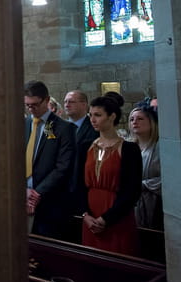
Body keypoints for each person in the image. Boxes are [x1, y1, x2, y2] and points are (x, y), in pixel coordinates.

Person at [81, 95, 142, 256]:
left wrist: (106, 219)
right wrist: (85, 214)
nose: (92, 119)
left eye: (98, 115)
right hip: (90, 217)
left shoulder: (129, 149)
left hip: (116, 217)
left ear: (112, 116)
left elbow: (133, 190)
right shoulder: (85, 147)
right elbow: (79, 185)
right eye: (90, 115)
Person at [24, 80, 76, 239]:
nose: (31, 109)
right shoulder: (22, 125)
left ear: (46, 100)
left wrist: (37, 193)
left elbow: (63, 166)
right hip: (22, 198)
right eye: (27, 105)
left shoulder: (63, 128)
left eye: (35, 105)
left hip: (50, 201)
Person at [64, 90, 100, 214]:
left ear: (84, 105)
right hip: (61, 190)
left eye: (71, 102)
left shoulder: (94, 129)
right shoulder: (60, 128)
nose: (67, 105)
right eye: (65, 102)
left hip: (82, 189)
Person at [129, 105, 162, 230]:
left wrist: (143, 184)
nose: (135, 122)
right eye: (132, 119)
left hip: (155, 204)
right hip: (134, 204)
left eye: (140, 119)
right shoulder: (130, 147)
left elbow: (169, 178)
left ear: (151, 122)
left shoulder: (159, 147)